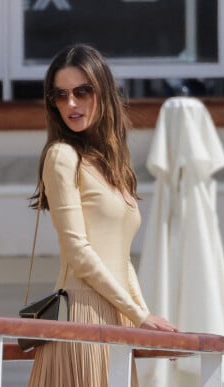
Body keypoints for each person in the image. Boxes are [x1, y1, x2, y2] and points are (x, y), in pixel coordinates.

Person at [27, 44, 178, 387]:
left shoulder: (112, 167)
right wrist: (139, 315)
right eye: (60, 95)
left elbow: (121, 260)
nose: (71, 105)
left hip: (116, 317)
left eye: (82, 91)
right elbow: (78, 252)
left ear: (104, 92)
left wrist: (146, 318)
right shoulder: (61, 156)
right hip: (81, 314)